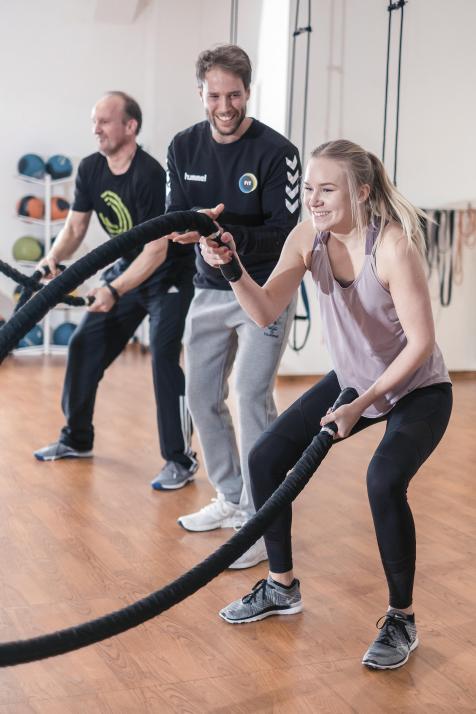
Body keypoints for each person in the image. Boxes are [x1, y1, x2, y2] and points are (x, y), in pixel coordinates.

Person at [202, 139, 452, 670]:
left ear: (360, 191)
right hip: (355, 381)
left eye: (327, 189)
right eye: (309, 189)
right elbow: (266, 309)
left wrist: (361, 403)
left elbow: (421, 343)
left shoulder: (391, 246)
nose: (313, 199)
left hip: (417, 390)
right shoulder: (306, 237)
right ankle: (281, 585)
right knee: (266, 457)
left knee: (384, 480)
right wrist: (232, 267)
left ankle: (401, 618)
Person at [158, 44, 301, 569]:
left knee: (249, 396)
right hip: (208, 286)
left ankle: (261, 521)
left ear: (248, 91)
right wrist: (187, 231)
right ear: (201, 93)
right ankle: (232, 496)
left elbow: (286, 235)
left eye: (234, 94)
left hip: (264, 290)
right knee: (199, 395)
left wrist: (223, 233)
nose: (225, 105)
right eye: (214, 95)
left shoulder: (278, 152)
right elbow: (175, 218)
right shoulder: (182, 146)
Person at [34, 91, 197, 485]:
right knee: (83, 342)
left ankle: (180, 460)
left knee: (162, 357)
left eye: (105, 120)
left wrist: (113, 289)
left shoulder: (151, 175)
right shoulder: (90, 168)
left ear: (130, 126)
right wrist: (52, 259)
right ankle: (77, 438)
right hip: (131, 267)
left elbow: (157, 250)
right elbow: (75, 228)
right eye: (95, 120)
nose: (96, 128)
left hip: (169, 275)